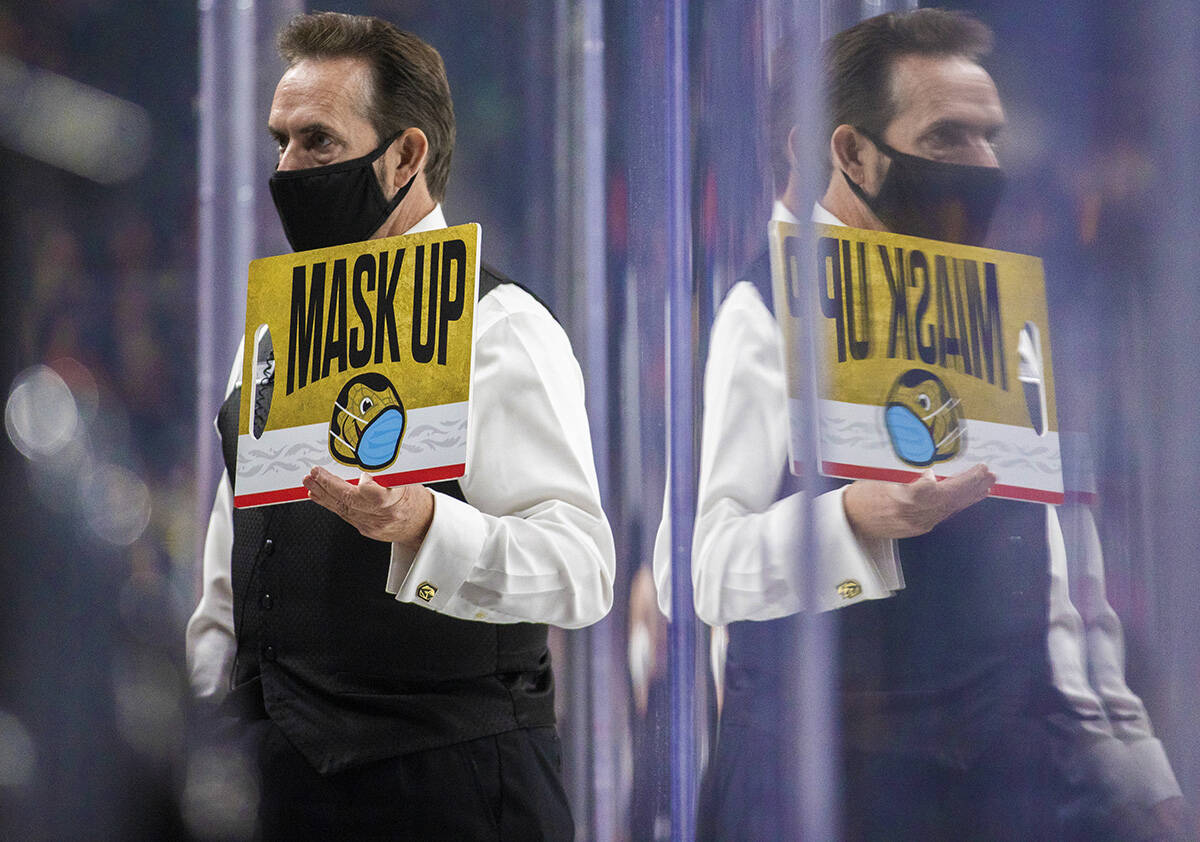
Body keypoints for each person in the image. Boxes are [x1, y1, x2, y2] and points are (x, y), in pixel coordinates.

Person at [655, 9, 1184, 840]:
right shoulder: (762, 312)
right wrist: (853, 522)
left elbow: (1057, 581)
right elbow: (701, 572)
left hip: (999, 787)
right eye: (949, 139)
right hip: (825, 787)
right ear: (850, 153)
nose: (984, 164)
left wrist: (1135, 770)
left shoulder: (999, 316)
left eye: (989, 137)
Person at [185, 12, 614, 840]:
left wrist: (428, 527)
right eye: (281, 141)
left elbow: (582, 568)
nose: (288, 168)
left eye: (318, 143)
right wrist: (216, 731)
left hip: (452, 790)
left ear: (406, 156)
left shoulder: (501, 325)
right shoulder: (270, 339)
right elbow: (231, 591)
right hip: (278, 792)